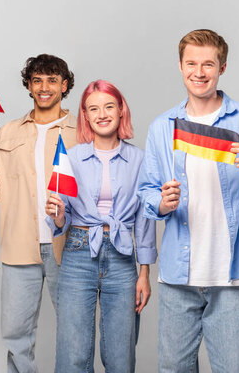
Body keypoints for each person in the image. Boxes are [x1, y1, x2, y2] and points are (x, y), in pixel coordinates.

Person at [137, 29, 239, 373]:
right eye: (191, 63)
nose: (199, 72)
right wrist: (162, 202)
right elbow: (146, 194)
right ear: (180, 65)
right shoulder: (162, 127)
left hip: (236, 274)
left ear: (222, 67)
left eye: (208, 64)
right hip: (179, 276)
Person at [0, 54, 77, 372]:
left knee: (75, 332)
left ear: (65, 85)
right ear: (28, 85)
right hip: (18, 248)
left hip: (68, 247)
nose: (44, 87)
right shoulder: (7, 134)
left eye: (52, 80)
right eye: (37, 80)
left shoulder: (83, 131)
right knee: (16, 335)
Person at [45, 80, 156, 373]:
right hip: (78, 252)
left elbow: (144, 220)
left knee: (121, 355)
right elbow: (63, 217)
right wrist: (57, 215)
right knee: (73, 354)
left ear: (121, 111)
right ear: (85, 115)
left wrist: (144, 273)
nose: (102, 114)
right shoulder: (71, 157)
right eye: (93, 108)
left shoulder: (140, 159)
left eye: (108, 106)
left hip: (121, 257)